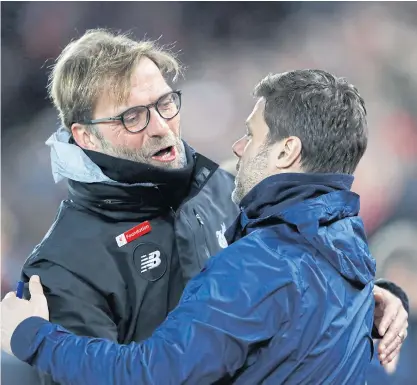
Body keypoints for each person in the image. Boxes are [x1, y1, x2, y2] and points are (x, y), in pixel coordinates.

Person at [1, 69, 410, 384]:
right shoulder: (347, 242)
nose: (238, 147)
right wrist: (381, 294)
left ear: (287, 150)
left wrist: (31, 335)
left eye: (252, 135)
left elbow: (149, 374)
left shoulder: (260, 266)